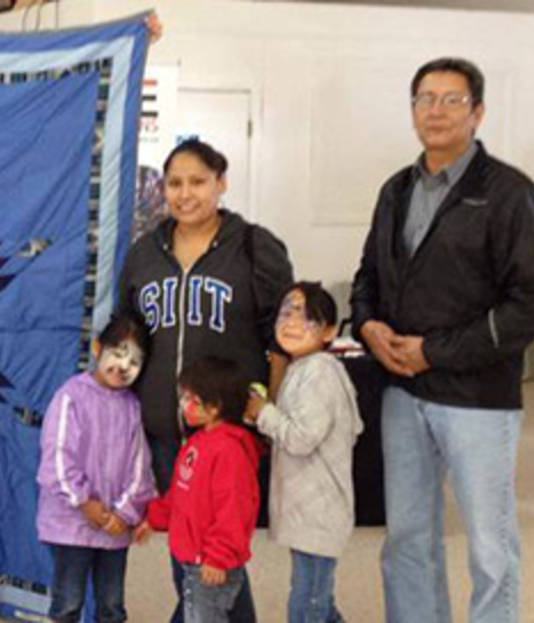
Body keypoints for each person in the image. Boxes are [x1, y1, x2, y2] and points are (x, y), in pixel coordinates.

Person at [348, 57, 534, 623]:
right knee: (407, 539)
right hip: (403, 393)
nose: (436, 111)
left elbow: (529, 303)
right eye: (425, 99)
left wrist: (435, 352)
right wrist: (368, 326)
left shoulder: (508, 192)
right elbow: (367, 277)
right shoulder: (396, 190)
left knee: (490, 545)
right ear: (412, 109)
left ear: (478, 112)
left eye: (452, 100)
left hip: (478, 400)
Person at [116, 138, 291, 622]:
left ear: (221, 183)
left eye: (197, 181)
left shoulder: (254, 247)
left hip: (226, 430)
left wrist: (271, 409)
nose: (185, 193)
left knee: (220, 548)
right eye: (175, 183)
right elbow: (129, 330)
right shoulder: (144, 253)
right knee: (190, 549)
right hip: (165, 427)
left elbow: (280, 338)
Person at [245, 282, 361, 623]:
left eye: (307, 317)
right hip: (306, 510)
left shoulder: (321, 371)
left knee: (307, 603)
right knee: (318, 600)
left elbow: (301, 438)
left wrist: (264, 412)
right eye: (286, 313)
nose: (292, 323)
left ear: (329, 331)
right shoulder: (301, 368)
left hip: (319, 511)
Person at [37, 315, 160, 623]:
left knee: (112, 606)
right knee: (68, 604)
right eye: (117, 354)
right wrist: (84, 501)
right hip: (72, 524)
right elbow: (57, 458)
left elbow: (140, 466)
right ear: (96, 348)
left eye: (134, 361)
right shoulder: (70, 397)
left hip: (115, 529)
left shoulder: (132, 406)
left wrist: (125, 513)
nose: (123, 366)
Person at [134, 357, 264, 623]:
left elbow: (234, 509)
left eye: (191, 399)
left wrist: (219, 556)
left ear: (215, 407)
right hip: (192, 559)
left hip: (209, 563)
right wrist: (155, 517)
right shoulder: (198, 442)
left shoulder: (229, 451)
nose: (183, 405)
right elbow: (180, 495)